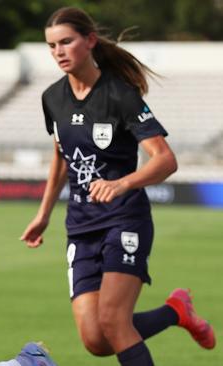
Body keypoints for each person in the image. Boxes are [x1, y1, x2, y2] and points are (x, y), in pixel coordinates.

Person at [20, 6, 216, 366]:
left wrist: (123, 183)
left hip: (124, 220)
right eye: (51, 46)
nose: (59, 52)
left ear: (90, 41)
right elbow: (61, 156)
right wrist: (43, 213)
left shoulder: (120, 95)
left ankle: (174, 311)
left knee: (113, 320)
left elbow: (165, 159)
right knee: (96, 339)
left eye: (67, 42)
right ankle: (176, 311)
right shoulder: (52, 98)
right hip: (80, 225)